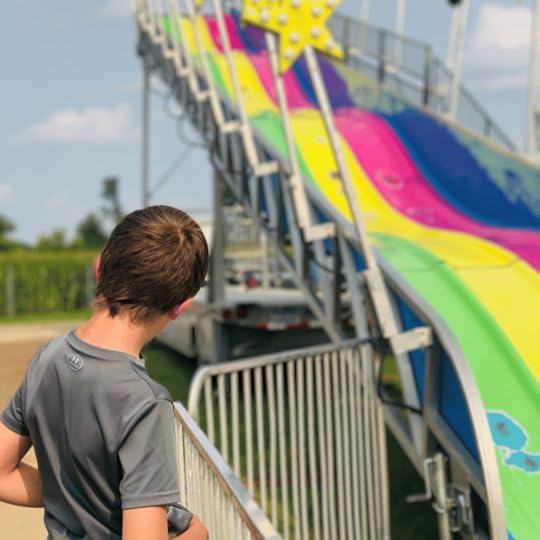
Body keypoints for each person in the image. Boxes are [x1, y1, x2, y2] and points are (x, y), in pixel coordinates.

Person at [0, 206, 209, 540]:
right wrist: (196, 535)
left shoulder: (48, 357)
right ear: (179, 306)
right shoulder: (146, 403)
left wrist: (66, 492)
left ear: (100, 268)